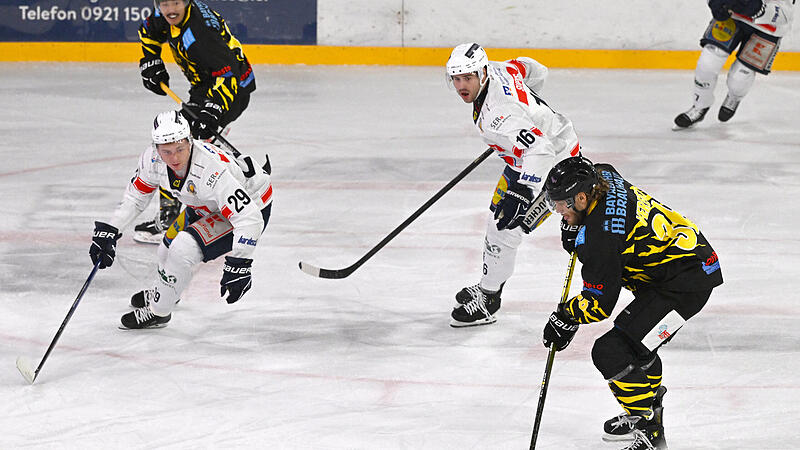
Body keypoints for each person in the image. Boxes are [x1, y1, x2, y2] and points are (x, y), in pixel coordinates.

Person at [540, 156, 723, 449]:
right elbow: (605, 168)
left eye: (562, 204)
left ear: (582, 197)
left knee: (611, 351)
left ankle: (649, 431)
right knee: (637, 345)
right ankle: (648, 414)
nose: (559, 212)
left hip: (686, 286)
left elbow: (599, 303)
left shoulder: (600, 238)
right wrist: (579, 223)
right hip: (688, 263)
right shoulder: (602, 177)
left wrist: (566, 316)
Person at [89, 111, 272, 329]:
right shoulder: (152, 159)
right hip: (206, 203)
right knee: (166, 249)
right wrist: (111, 229)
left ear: (190, 141)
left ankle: (159, 312)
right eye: (166, 152)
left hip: (252, 205)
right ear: (156, 148)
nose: (174, 158)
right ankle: (165, 293)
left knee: (183, 249)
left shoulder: (210, 170)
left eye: (180, 149)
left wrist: (240, 263)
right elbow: (136, 197)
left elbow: (248, 218)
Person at [445, 43, 582, 327]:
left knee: (505, 229)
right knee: (498, 220)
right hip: (527, 159)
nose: (461, 85)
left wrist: (521, 192)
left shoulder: (500, 115)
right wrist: (529, 114)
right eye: (456, 79)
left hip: (556, 169)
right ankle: (488, 286)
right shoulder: (499, 68)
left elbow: (541, 150)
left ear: (482, 73)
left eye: (468, 77)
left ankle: (488, 301)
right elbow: (533, 69)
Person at [134, 0, 257, 244]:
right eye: (164, 2)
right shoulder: (166, 16)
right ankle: (206, 207)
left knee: (183, 147)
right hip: (204, 87)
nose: (170, 8)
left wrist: (211, 111)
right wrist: (151, 60)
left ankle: (181, 217)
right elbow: (147, 29)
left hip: (231, 90)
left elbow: (228, 76)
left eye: (176, 2)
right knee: (185, 145)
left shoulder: (201, 32)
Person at [674, 0, 794, 128]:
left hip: (768, 28)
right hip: (734, 16)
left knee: (740, 77)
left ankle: (734, 97)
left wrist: (757, 9)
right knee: (707, 63)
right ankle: (700, 106)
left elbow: (784, 14)